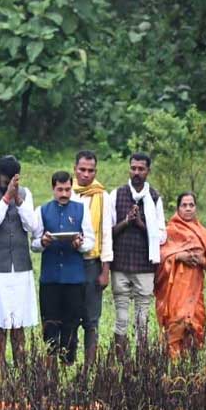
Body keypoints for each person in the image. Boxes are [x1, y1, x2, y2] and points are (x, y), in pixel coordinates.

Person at [0, 156, 38, 364]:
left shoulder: (25, 194)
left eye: (13, 181)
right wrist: (5, 199)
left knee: (19, 323)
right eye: (5, 181)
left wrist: (18, 200)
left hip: (20, 267)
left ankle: (22, 372)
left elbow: (33, 227)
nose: (9, 185)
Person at [107, 152, 166, 355]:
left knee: (143, 319)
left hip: (144, 266)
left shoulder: (155, 198)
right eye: (133, 168)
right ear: (129, 169)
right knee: (121, 318)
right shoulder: (116, 195)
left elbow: (161, 236)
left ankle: (142, 364)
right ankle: (119, 362)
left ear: (148, 171)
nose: (137, 172)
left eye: (141, 169)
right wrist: (126, 222)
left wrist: (141, 225)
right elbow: (108, 231)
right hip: (120, 265)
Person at [33, 171, 95, 362]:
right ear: (53, 189)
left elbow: (90, 241)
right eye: (60, 189)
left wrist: (80, 244)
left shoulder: (81, 209)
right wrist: (42, 241)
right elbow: (34, 244)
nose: (64, 194)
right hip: (50, 278)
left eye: (68, 189)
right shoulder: (41, 210)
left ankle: (68, 363)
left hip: (74, 278)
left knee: (71, 324)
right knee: (50, 324)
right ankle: (50, 368)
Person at [153, 193, 206, 358]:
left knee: (196, 325)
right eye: (184, 205)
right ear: (177, 208)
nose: (188, 208)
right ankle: (172, 367)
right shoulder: (168, 232)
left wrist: (202, 260)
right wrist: (178, 257)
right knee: (176, 323)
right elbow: (157, 258)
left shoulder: (204, 235)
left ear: (196, 208)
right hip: (174, 292)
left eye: (191, 205)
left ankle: (192, 368)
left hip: (195, 292)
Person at [71, 150, 113, 366]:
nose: (86, 174)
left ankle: (89, 366)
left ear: (95, 171)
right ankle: (68, 362)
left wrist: (105, 271)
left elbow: (106, 233)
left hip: (91, 264)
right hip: (69, 264)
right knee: (69, 316)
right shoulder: (67, 192)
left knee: (91, 319)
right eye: (82, 170)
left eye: (90, 170)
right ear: (74, 169)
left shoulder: (102, 196)